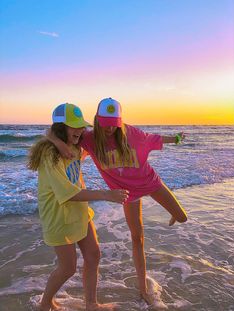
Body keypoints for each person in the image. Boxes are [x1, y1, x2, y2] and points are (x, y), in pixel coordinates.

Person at [48, 98, 187, 306]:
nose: (110, 128)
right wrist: (59, 143)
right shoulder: (90, 138)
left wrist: (175, 138)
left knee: (182, 217)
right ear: (97, 120)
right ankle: (143, 289)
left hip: (150, 183)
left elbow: (155, 138)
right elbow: (51, 133)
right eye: (105, 123)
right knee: (137, 237)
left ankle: (174, 215)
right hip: (128, 193)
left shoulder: (133, 135)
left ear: (120, 121)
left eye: (114, 123)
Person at [28, 102, 129, 311]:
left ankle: (91, 304)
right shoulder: (50, 155)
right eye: (73, 126)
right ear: (60, 127)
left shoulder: (74, 147)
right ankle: (45, 303)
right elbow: (68, 194)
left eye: (80, 125)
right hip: (59, 215)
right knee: (68, 268)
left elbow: (98, 141)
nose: (79, 130)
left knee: (93, 255)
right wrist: (106, 194)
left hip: (80, 211)